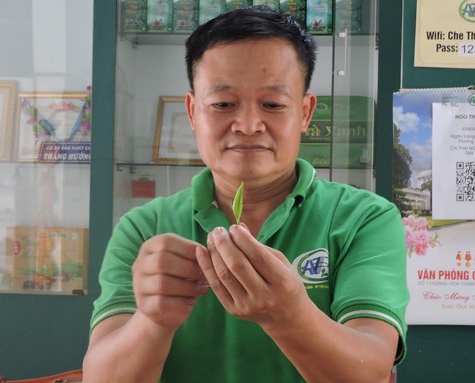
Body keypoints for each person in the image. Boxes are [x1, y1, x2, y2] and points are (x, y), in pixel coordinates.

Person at [83, 5, 409, 383]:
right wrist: (153, 320)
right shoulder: (145, 228)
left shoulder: (365, 219)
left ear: (305, 113)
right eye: (223, 104)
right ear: (192, 112)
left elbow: (372, 371)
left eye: (273, 105)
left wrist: (290, 315)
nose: (249, 125)